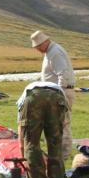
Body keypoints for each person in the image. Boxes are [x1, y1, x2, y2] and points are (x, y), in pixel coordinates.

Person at [17, 81, 68, 178]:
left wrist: (23, 150)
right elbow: (65, 122)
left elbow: (22, 134)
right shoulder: (57, 90)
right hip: (57, 97)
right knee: (55, 145)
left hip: (33, 98)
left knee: (31, 144)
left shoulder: (22, 100)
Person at [30, 30, 74, 161]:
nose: (37, 49)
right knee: (55, 123)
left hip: (60, 93)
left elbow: (63, 74)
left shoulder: (54, 53)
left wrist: (59, 95)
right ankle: (58, 153)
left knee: (62, 124)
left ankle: (63, 155)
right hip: (55, 93)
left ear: (44, 43)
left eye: (37, 47)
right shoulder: (50, 51)